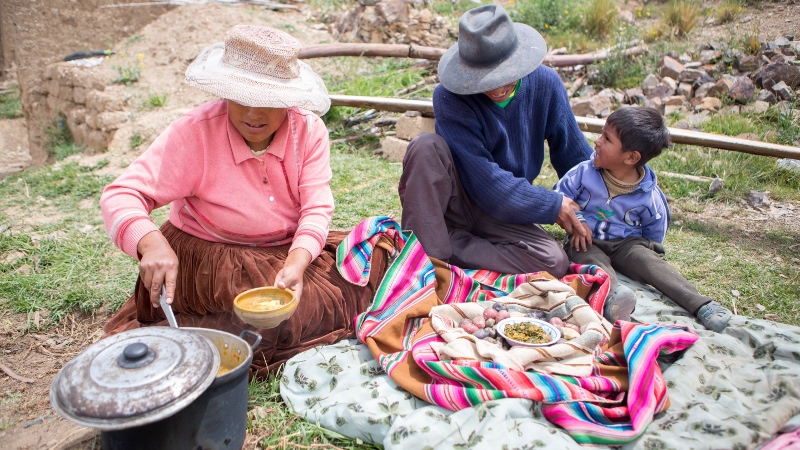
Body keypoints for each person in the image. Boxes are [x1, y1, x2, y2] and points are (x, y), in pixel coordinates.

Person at [100, 25, 388, 376]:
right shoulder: (196, 131)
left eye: (268, 100)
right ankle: (206, 334)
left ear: (288, 98)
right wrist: (152, 244)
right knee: (270, 319)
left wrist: (297, 264)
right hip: (212, 260)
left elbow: (316, 208)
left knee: (373, 264)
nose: (254, 113)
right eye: (241, 97)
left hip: (284, 253)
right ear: (225, 92)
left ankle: (225, 331)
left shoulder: (308, 131)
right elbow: (121, 194)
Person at [398, 4, 593, 279]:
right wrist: (551, 204)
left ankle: (437, 245)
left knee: (552, 261)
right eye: (485, 78)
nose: (497, 88)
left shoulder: (546, 84)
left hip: (503, 211)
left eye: (505, 75)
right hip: (457, 199)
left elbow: (574, 155)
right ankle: (430, 254)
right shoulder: (449, 97)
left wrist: (604, 199)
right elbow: (485, 182)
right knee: (425, 146)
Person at [554, 106, 732, 332]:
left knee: (652, 264)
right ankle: (614, 298)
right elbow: (561, 196)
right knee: (592, 260)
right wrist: (578, 223)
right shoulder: (583, 172)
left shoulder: (648, 194)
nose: (597, 142)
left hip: (625, 244)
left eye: (607, 138)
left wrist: (647, 250)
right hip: (587, 239)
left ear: (631, 157)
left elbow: (656, 227)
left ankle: (701, 304)